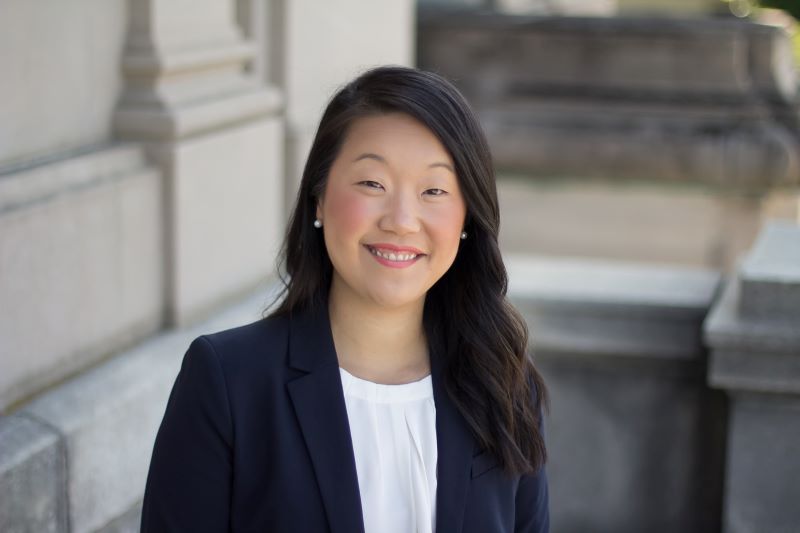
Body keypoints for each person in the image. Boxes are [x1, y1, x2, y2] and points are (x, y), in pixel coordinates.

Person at [140, 65, 549, 533]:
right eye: (372, 184)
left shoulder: (504, 383)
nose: (401, 220)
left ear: (466, 218)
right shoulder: (229, 382)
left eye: (434, 190)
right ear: (319, 197)